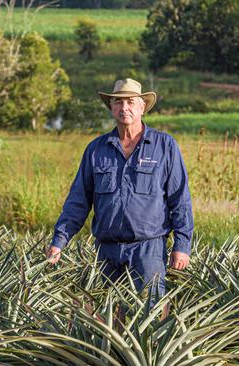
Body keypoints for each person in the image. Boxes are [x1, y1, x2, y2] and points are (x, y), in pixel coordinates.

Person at [46, 78, 193, 302]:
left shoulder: (165, 146)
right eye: (118, 103)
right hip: (107, 252)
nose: (124, 108)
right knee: (107, 318)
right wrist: (59, 240)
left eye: (130, 102)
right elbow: (79, 200)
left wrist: (182, 246)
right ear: (111, 108)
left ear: (142, 107)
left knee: (149, 316)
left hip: (148, 250)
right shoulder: (96, 149)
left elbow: (179, 199)